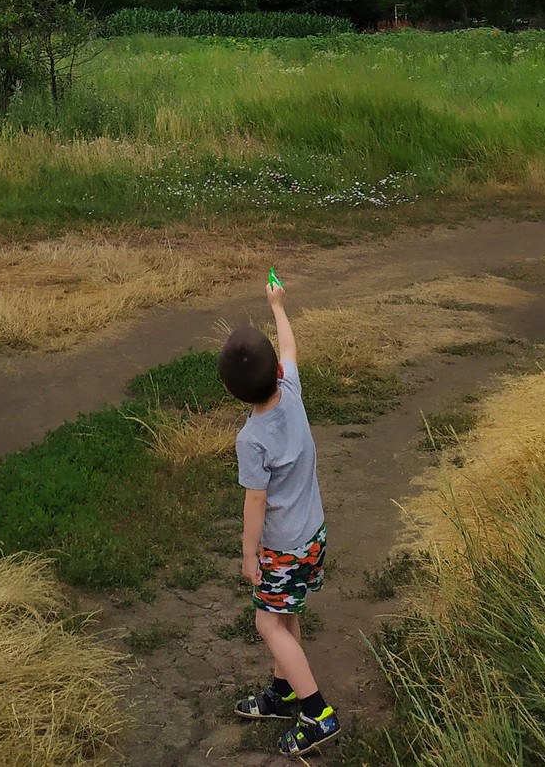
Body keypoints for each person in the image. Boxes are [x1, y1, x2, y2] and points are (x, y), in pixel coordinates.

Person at [218, 275, 340, 755]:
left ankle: (317, 712)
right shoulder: (290, 388)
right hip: (312, 534)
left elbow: (255, 500)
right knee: (285, 615)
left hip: (282, 547)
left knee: (267, 624)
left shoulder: (252, 439)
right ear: (274, 370)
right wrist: (278, 307)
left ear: (233, 391)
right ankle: (284, 690)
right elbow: (289, 347)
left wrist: (250, 555)